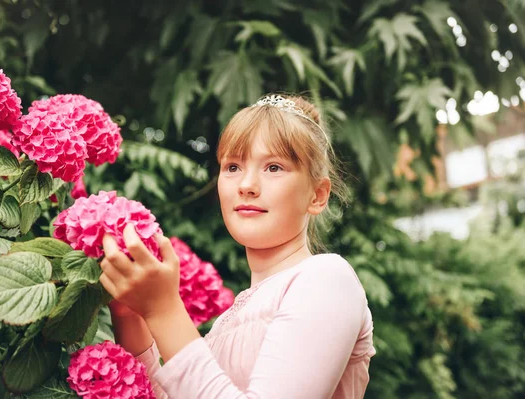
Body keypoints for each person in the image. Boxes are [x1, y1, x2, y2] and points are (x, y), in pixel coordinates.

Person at [100, 94, 376, 398]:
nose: (246, 185)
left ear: (318, 195)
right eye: (232, 167)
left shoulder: (327, 280)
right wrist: (131, 317)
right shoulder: (227, 322)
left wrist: (163, 310)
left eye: (273, 167)